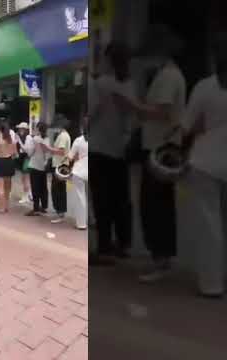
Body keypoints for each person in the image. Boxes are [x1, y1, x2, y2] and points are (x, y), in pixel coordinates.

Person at [115, 24, 187, 282]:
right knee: (156, 204)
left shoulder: (168, 76)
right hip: (158, 146)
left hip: (160, 148)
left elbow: (163, 112)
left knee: (156, 206)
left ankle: (161, 260)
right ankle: (161, 258)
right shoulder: (165, 74)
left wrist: (133, 106)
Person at [181, 32, 227, 298]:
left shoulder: (205, 86)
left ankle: (212, 284)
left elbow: (187, 126)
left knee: (210, 226)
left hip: (206, 162)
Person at [89, 42, 136, 260]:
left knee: (101, 200)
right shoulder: (130, 85)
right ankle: (124, 243)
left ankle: (104, 247)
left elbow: (92, 114)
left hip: (99, 148)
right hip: (120, 149)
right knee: (121, 198)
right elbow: (131, 119)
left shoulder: (100, 85)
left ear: (107, 60)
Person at [25, 122, 49, 216]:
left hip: (35, 165)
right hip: (43, 165)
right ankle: (44, 206)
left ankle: (35, 208)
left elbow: (30, 152)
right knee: (43, 187)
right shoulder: (47, 139)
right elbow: (48, 153)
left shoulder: (35, 139)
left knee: (35, 187)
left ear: (38, 129)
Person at [0, 121, 17, 213]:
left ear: (0, 130)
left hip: (0, 162)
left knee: (0, 187)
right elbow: (15, 154)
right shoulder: (11, 140)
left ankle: (1, 206)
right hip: (9, 162)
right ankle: (6, 205)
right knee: (8, 187)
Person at [50, 122, 72, 223]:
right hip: (61, 165)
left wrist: (49, 149)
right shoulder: (65, 135)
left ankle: (60, 213)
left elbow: (61, 151)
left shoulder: (63, 136)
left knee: (57, 190)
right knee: (59, 189)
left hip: (60, 166)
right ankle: (60, 212)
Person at [68, 125, 89, 230]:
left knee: (80, 197)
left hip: (79, 171)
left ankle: (81, 224)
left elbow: (70, 156)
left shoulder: (79, 140)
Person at [16, 122, 33, 204]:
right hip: (23, 158)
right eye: (19, 129)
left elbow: (26, 149)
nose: (20, 130)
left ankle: (26, 196)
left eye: (21, 129)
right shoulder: (23, 137)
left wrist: (19, 141)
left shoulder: (28, 138)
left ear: (25, 130)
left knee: (25, 178)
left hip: (27, 159)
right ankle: (29, 194)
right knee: (25, 178)